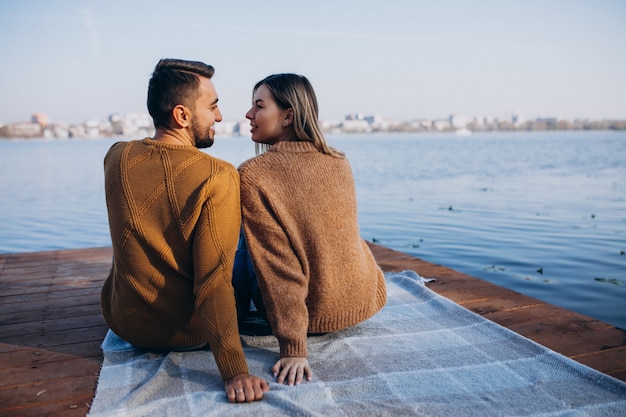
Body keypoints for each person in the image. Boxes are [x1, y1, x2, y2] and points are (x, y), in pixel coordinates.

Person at [100, 58, 269, 403]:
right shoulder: (217, 176)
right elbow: (212, 282)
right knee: (242, 251)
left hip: (126, 323)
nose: (219, 117)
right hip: (187, 331)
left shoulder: (116, 156)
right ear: (182, 115)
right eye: (213, 106)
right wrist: (235, 370)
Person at [234, 73, 388, 387]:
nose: (249, 115)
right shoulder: (337, 159)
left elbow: (279, 266)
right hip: (362, 301)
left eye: (258, 106)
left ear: (288, 115)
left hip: (313, 314)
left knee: (240, 243)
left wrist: (293, 347)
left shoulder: (253, 174)